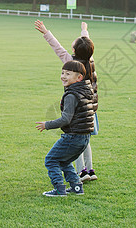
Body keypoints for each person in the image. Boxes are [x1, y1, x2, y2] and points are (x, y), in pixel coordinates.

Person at [34, 20, 99, 182]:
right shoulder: (90, 61)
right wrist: (84, 30)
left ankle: (81, 172)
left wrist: (45, 32)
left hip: (76, 107)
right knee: (85, 138)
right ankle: (89, 170)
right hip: (90, 108)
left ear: (75, 50)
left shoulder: (73, 63)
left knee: (75, 138)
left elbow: (58, 48)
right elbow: (86, 44)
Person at [36, 60, 95, 196]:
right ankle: (76, 187)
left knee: (51, 159)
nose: (63, 76)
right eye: (62, 73)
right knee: (64, 161)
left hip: (73, 137)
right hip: (84, 138)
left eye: (68, 74)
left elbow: (65, 119)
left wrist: (47, 125)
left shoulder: (71, 95)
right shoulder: (86, 91)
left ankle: (59, 189)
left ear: (79, 77)